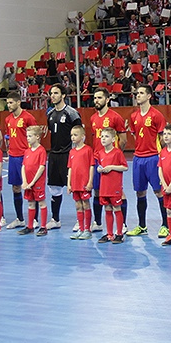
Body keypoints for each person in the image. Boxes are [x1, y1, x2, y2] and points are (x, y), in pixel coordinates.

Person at [127, 84, 168, 237]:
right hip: (138, 159)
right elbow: (135, 135)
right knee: (139, 193)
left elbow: (162, 139)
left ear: (149, 96)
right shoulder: (133, 116)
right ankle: (142, 226)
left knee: (159, 191)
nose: (138, 95)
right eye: (137, 93)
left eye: (141, 93)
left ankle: (165, 225)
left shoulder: (157, 115)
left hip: (153, 158)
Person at [89, 88, 127, 232]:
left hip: (112, 161)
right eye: (95, 98)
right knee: (98, 191)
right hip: (98, 160)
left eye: (99, 98)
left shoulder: (115, 117)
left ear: (107, 100)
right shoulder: (93, 118)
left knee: (118, 193)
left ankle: (122, 225)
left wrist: (114, 158)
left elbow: (123, 140)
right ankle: (98, 223)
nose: (96, 100)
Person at [45, 83, 82, 230]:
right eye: (51, 93)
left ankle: (80, 221)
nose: (52, 96)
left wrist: (76, 153)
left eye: (55, 93)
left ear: (63, 95)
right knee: (54, 188)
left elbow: (79, 133)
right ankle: (55, 219)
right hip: (54, 155)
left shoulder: (72, 113)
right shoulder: (50, 114)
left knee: (74, 188)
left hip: (68, 155)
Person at [3, 91, 37, 230]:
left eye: (11, 102)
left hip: (26, 157)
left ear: (18, 102)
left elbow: (35, 137)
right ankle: (20, 219)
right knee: (15, 188)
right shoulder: (8, 119)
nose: (9, 105)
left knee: (30, 187)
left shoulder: (28, 118)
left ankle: (34, 219)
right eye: (7, 102)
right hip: (13, 157)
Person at [95, 127, 128, 244]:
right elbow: (99, 165)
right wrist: (99, 168)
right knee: (107, 208)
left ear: (113, 139)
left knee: (116, 208)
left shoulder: (117, 152)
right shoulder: (100, 153)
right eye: (102, 136)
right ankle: (109, 234)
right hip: (104, 186)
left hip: (114, 187)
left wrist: (112, 167)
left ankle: (119, 233)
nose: (103, 139)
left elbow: (125, 167)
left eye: (106, 136)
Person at [20, 125, 48, 236]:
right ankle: (30, 226)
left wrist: (32, 182)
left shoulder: (41, 151)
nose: (28, 138)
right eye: (27, 136)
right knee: (30, 203)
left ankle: (43, 227)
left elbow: (42, 167)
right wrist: (25, 181)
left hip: (37, 183)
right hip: (28, 184)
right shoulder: (27, 151)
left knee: (41, 203)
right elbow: (23, 166)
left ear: (37, 137)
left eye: (30, 136)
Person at [67, 125, 94, 240]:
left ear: (82, 136)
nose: (73, 137)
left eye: (75, 135)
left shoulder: (88, 150)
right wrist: (69, 183)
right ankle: (81, 228)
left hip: (84, 183)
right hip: (75, 183)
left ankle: (87, 229)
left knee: (85, 204)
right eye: (72, 135)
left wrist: (90, 182)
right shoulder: (72, 152)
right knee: (78, 205)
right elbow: (70, 168)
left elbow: (91, 166)